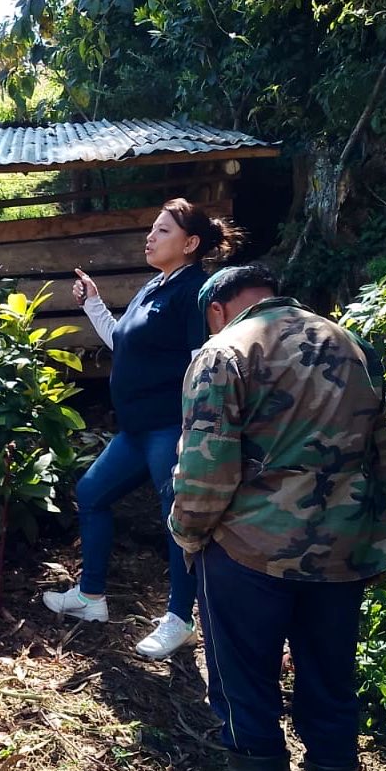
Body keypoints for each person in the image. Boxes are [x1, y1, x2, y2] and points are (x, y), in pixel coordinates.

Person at [170, 266, 386, 771]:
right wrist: (375, 539)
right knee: (330, 691)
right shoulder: (349, 343)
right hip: (341, 554)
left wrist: (189, 537)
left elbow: (205, 468)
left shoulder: (224, 352)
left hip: (249, 555)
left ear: (218, 308)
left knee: (246, 691)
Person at [42, 198, 241, 660]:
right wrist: (93, 304)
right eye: (152, 229)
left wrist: (195, 428)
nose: (150, 237)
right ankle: (91, 598)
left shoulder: (195, 292)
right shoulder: (155, 285)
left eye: (163, 231)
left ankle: (180, 619)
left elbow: (201, 362)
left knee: (178, 519)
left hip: (168, 427)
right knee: (91, 494)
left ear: (190, 244)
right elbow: (122, 342)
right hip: (134, 429)